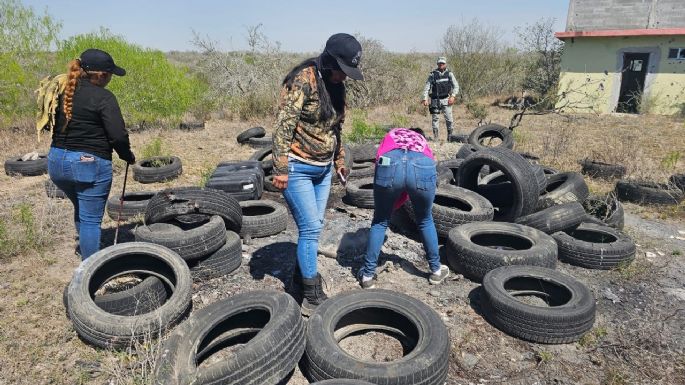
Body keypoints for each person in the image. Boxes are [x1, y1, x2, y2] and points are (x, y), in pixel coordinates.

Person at [271, 33, 363, 315]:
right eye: (341, 71)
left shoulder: (337, 86)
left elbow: (336, 128)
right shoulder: (304, 79)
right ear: (329, 61)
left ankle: (299, 281)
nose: (344, 77)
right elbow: (284, 126)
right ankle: (311, 295)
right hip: (298, 166)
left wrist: (339, 160)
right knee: (310, 229)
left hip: (323, 170)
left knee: (315, 226)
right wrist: (281, 167)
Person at [47, 49, 136, 260]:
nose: (111, 78)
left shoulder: (64, 91)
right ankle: (91, 271)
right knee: (90, 220)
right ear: (101, 75)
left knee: (81, 205)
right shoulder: (104, 97)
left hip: (56, 162)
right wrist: (127, 155)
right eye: (110, 74)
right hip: (87, 164)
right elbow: (118, 136)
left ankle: (86, 249)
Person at [357, 127, 449, 288]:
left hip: (389, 161)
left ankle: (367, 276)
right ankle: (436, 271)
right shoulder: (422, 141)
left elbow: (379, 160)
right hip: (423, 163)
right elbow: (414, 176)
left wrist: (390, 206)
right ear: (419, 134)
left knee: (380, 221)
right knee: (425, 219)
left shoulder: (393, 133)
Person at [421, 57, 460, 141]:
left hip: (446, 100)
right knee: (435, 119)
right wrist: (425, 98)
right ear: (437, 64)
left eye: (442, 63)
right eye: (439, 63)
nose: (441, 65)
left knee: (449, 120)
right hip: (435, 100)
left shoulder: (449, 74)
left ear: (445, 64)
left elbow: (456, 86)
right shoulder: (432, 74)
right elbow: (427, 87)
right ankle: (436, 138)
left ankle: (450, 138)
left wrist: (453, 96)